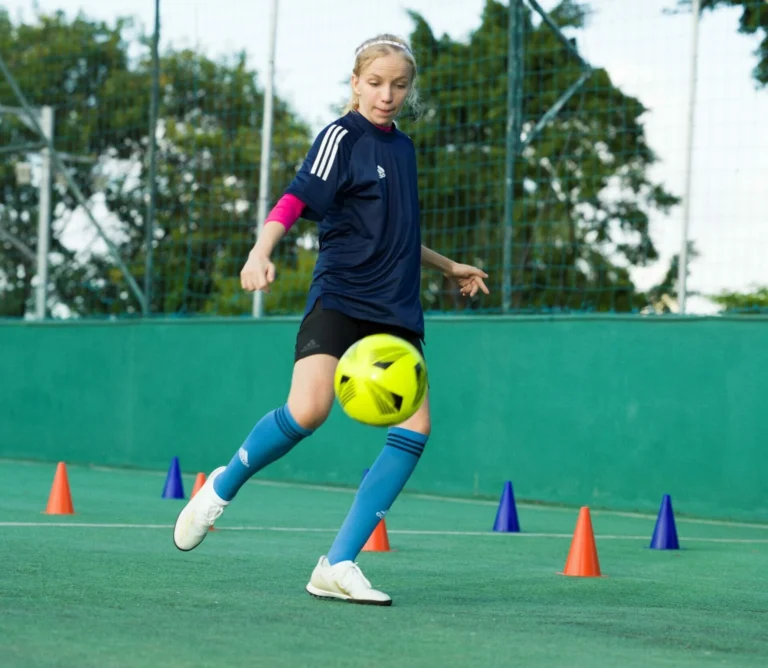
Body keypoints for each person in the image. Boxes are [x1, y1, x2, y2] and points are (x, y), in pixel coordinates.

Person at [173, 33, 489, 606]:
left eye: (398, 85)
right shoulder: (339, 137)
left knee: (416, 428)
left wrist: (447, 265)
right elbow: (296, 198)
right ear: (355, 82)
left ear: (409, 89)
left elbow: (399, 233)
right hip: (342, 298)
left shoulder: (405, 150)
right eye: (375, 83)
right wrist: (260, 250)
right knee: (308, 410)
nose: (386, 95)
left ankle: (337, 563)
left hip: (396, 311)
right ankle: (221, 486)